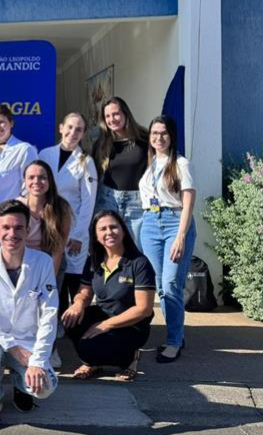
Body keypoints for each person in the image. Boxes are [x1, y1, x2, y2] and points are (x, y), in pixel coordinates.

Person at [0, 199, 59, 431]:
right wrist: (12, 347)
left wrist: (37, 361)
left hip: (27, 343)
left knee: (45, 388)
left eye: (18, 228)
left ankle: (20, 383)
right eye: (5, 228)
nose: (12, 234)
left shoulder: (43, 262)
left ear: (28, 230)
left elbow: (49, 314)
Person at [63, 210, 156, 382]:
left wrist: (105, 325)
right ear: (96, 236)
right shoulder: (94, 260)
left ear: (123, 230)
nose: (109, 232)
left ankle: (129, 359)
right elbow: (85, 292)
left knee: (91, 347)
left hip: (131, 325)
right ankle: (92, 362)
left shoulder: (139, 263)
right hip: (104, 315)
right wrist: (78, 303)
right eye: (103, 229)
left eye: (113, 227)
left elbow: (144, 309)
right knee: (71, 321)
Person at [139, 115, 196, 363]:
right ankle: (176, 333)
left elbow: (188, 200)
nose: (158, 138)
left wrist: (181, 235)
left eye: (163, 133)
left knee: (172, 282)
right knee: (161, 287)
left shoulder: (181, 163)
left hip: (175, 223)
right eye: (154, 133)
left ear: (171, 136)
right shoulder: (150, 162)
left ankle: (173, 341)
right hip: (150, 224)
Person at [38, 113, 98, 334]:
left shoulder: (86, 161)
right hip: (47, 227)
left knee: (74, 278)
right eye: (70, 127)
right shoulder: (44, 154)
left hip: (73, 230)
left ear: (83, 134)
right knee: (51, 276)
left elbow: (89, 201)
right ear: (61, 128)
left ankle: (77, 325)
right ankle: (56, 324)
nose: (73, 133)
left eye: (79, 129)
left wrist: (79, 234)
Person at [92, 97, 148, 248]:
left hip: (137, 203)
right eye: (107, 116)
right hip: (107, 200)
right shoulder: (100, 145)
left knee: (137, 250)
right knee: (107, 249)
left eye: (116, 114)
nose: (112, 119)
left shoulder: (145, 139)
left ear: (126, 114)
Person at [0, 104, 38, 237]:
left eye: (1, 122)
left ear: (11, 123)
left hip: (10, 221)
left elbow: (29, 189)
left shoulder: (24, 150)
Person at [19, 161, 73, 275]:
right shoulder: (17, 206)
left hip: (50, 261)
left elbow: (58, 251)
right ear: (24, 181)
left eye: (42, 177)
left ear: (50, 181)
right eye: (31, 177)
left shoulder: (61, 208)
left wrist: (49, 281)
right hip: (22, 261)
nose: (36, 181)